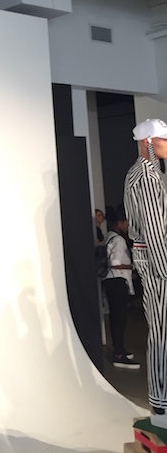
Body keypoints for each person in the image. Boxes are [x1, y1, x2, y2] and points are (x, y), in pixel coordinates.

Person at [124, 118, 167, 427]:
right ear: (148, 142)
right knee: (162, 333)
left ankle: (161, 404)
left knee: (161, 331)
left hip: (151, 258)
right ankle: (161, 407)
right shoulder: (147, 176)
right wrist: (165, 269)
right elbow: (154, 230)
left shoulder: (147, 172)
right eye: (163, 139)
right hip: (157, 261)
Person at [101, 211, 139, 369]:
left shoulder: (108, 237)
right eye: (126, 223)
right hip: (118, 281)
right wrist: (132, 266)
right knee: (120, 319)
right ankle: (119, 354)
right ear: (119, 223)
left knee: (116, 318)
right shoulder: (119, 240)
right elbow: (115, 263)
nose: (128, 226)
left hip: (111, 281)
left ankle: (120, 349)